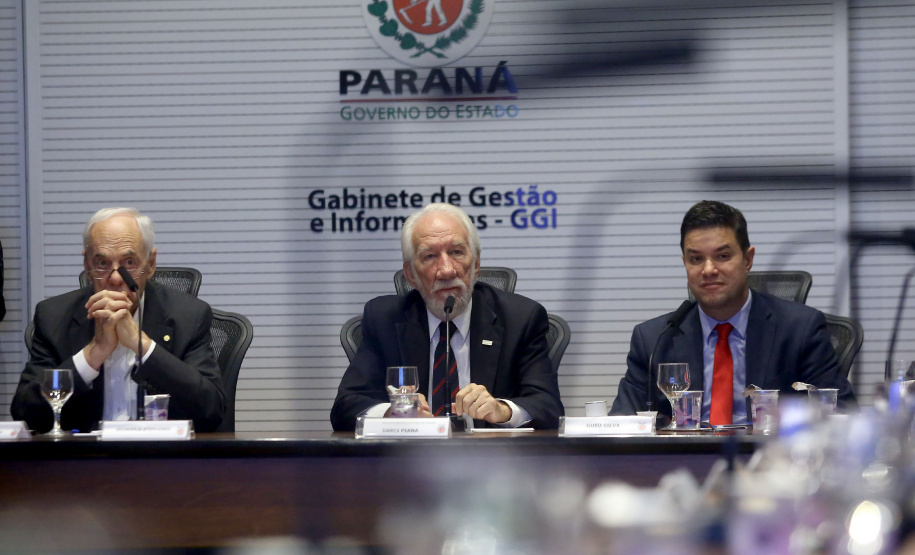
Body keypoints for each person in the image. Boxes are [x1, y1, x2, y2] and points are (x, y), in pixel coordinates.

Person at [611, 200, 855, 424]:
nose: (708, 269)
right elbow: (621, 424)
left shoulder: (800, 329)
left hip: (771, 461)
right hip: (683, 462)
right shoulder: (655, 339)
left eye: (723, 256)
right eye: (696, 259)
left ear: (747, 259)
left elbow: (840, 413)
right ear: (684, 263)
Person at [331, 203, 563, 431]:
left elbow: (549, 407)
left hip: (493, 460)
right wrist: (391, 414)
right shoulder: (384, 320)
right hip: (408, 460)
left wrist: (502, 410)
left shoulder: (521, 318)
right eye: (430, 256)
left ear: (476, 264)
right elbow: (345, 408)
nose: (447, 270)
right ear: (411, 274)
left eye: (456, 252)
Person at [11, 207, 225, 433]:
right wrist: (93, 352)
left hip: (160, 459)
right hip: (84, 461)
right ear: (87, 264)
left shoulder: (188, 316)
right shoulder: (54, 317)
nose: (115, 278)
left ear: (150, 264)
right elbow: (27, 414)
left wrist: (142, 346)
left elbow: (211, 411)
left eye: (129, 262)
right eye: (102, 263)